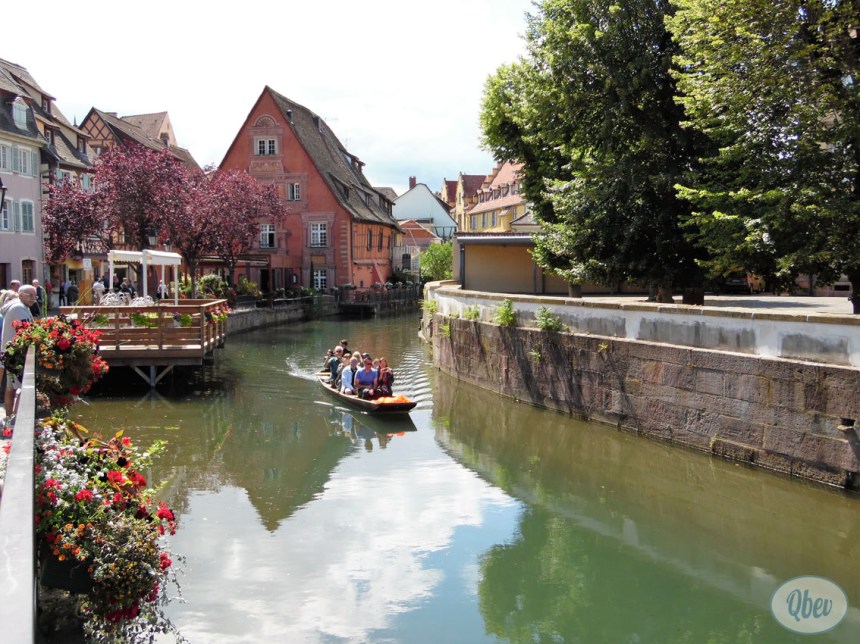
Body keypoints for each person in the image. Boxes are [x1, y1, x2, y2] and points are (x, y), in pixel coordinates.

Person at [2, 285, 36, 424]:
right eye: (30, 295)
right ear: (21, 294)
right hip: (15, 354)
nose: (33, 299)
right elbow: (27, 330)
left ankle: (10, 419)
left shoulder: (23, 307)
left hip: (12, 353)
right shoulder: (18, 308)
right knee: (21, 388)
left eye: (35, 296)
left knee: (11, 387)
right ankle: (15, 420)